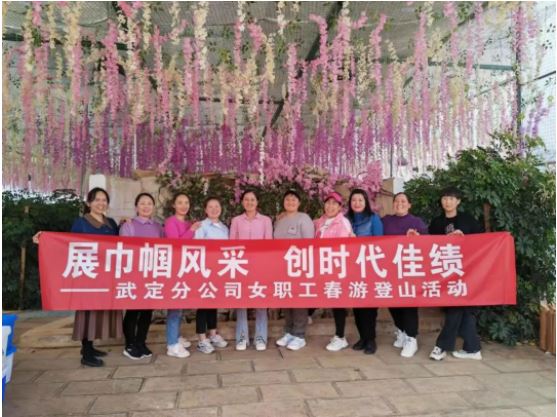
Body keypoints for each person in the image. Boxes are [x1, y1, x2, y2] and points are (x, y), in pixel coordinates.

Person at [33, 187, 123, 367]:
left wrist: (125, 225)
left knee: (100, 311)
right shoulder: (81, 223)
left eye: (104, 200)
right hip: (87, 274)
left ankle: (90, 346)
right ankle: (86, 352)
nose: (101, 203)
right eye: (97, 200)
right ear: (89, 203)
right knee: (87, 312)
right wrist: (45, 238)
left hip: (106, 274)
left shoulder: (111, 223)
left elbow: (119, 244)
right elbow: (68, 244)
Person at [429, 187, 484, 361]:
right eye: (445, 198)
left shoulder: (468, 220)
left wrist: (464, 237)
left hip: (468, 271)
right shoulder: (437, 223)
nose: (448, 202)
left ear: (458, 201)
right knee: (464, 310)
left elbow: (483, 242)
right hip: (446, 272)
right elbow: (429, 246)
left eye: (452, 198)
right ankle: (473, 348)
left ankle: (441, 346)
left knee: (456, 307)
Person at [382, 192, 428, 358]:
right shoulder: (385, 220)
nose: (399, 204)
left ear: (409, 205)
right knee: (392, 302)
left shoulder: (416, 222)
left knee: (408, 304)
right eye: (396, 201)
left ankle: (411, 338)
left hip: (409, 270)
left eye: (403, 201)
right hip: (389, 269)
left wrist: (418, 238)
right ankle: (401, 330)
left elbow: (429, 244)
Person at [120, 192, 164, 360]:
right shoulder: (129, 225)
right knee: (133, 310)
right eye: (142, 203)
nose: (146, 206)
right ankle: (130, 344)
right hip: (134, 273)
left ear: (153, 207)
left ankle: (141, 342)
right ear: (136, 207)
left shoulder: (158, 227)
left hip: (152, 274)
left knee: (147, 311)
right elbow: (124, 249)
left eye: (149, 203)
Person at [230, 190, 273, 351]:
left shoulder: (266, 221)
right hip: (240, 266)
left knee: (260, 300)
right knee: (241, 301)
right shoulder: (236, 221)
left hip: (260, 266)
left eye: (252, 199)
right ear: (242, 202)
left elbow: (268, 244)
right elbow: (232, 244)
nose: (249, 202)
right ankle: (242, 337)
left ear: (257, 202)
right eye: (246, 199)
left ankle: (260, 337)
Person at [313, 192, 355, 352]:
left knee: (338, 301)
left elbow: (342, 246)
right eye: (328, 203)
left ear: (339, 207)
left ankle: (340, 336)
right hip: (322, 267)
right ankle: (338, 335)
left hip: (337, 267)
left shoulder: (343, 222)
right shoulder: (320, 221)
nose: (330, 206)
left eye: (334, 203)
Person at [274, 189, 315, 351]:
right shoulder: (279, 220)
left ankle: (299, 335)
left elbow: (309, 243)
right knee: (287, 299)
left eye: (293, 199)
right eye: (287, 199)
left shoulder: (304, 218)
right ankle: (289, 331)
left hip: (299, 266)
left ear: (299, 203)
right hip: (282, 266)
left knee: (299, 301)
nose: (290, 202)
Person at [345, 188, 384, 354]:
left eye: (360, 200)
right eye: (354, 200)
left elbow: (379, 244)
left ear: (366, 202)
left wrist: (358, 242)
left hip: (369, 267)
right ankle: (362, 337)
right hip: (351, 268)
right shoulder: (346, 220)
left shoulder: (373, 218)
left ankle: (371, 339)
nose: (357, 203)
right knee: (357, 305)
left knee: (369, 306)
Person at [163, 192, 201, 358]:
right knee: (174, 306)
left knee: (180, 304)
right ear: (174, 205)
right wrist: (191, 231)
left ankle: (176, 336)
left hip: (186, 268)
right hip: (174, 268)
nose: (183, 206)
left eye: (186, 202)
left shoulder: (188, 223)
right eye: (180, 202)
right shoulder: (170, 222)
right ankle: (172, 344)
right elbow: (176, 244)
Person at [194, 197, 229, 354]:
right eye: (210, 206)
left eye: (217, 206)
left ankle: (213, 334)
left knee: (213, 302)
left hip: (219, 270)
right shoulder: (201, 226)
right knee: (203, 304)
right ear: (205, 210)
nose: (214, 209)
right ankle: (202, 339)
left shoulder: (224, 228)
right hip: (204, 270)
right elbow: (196, 248)